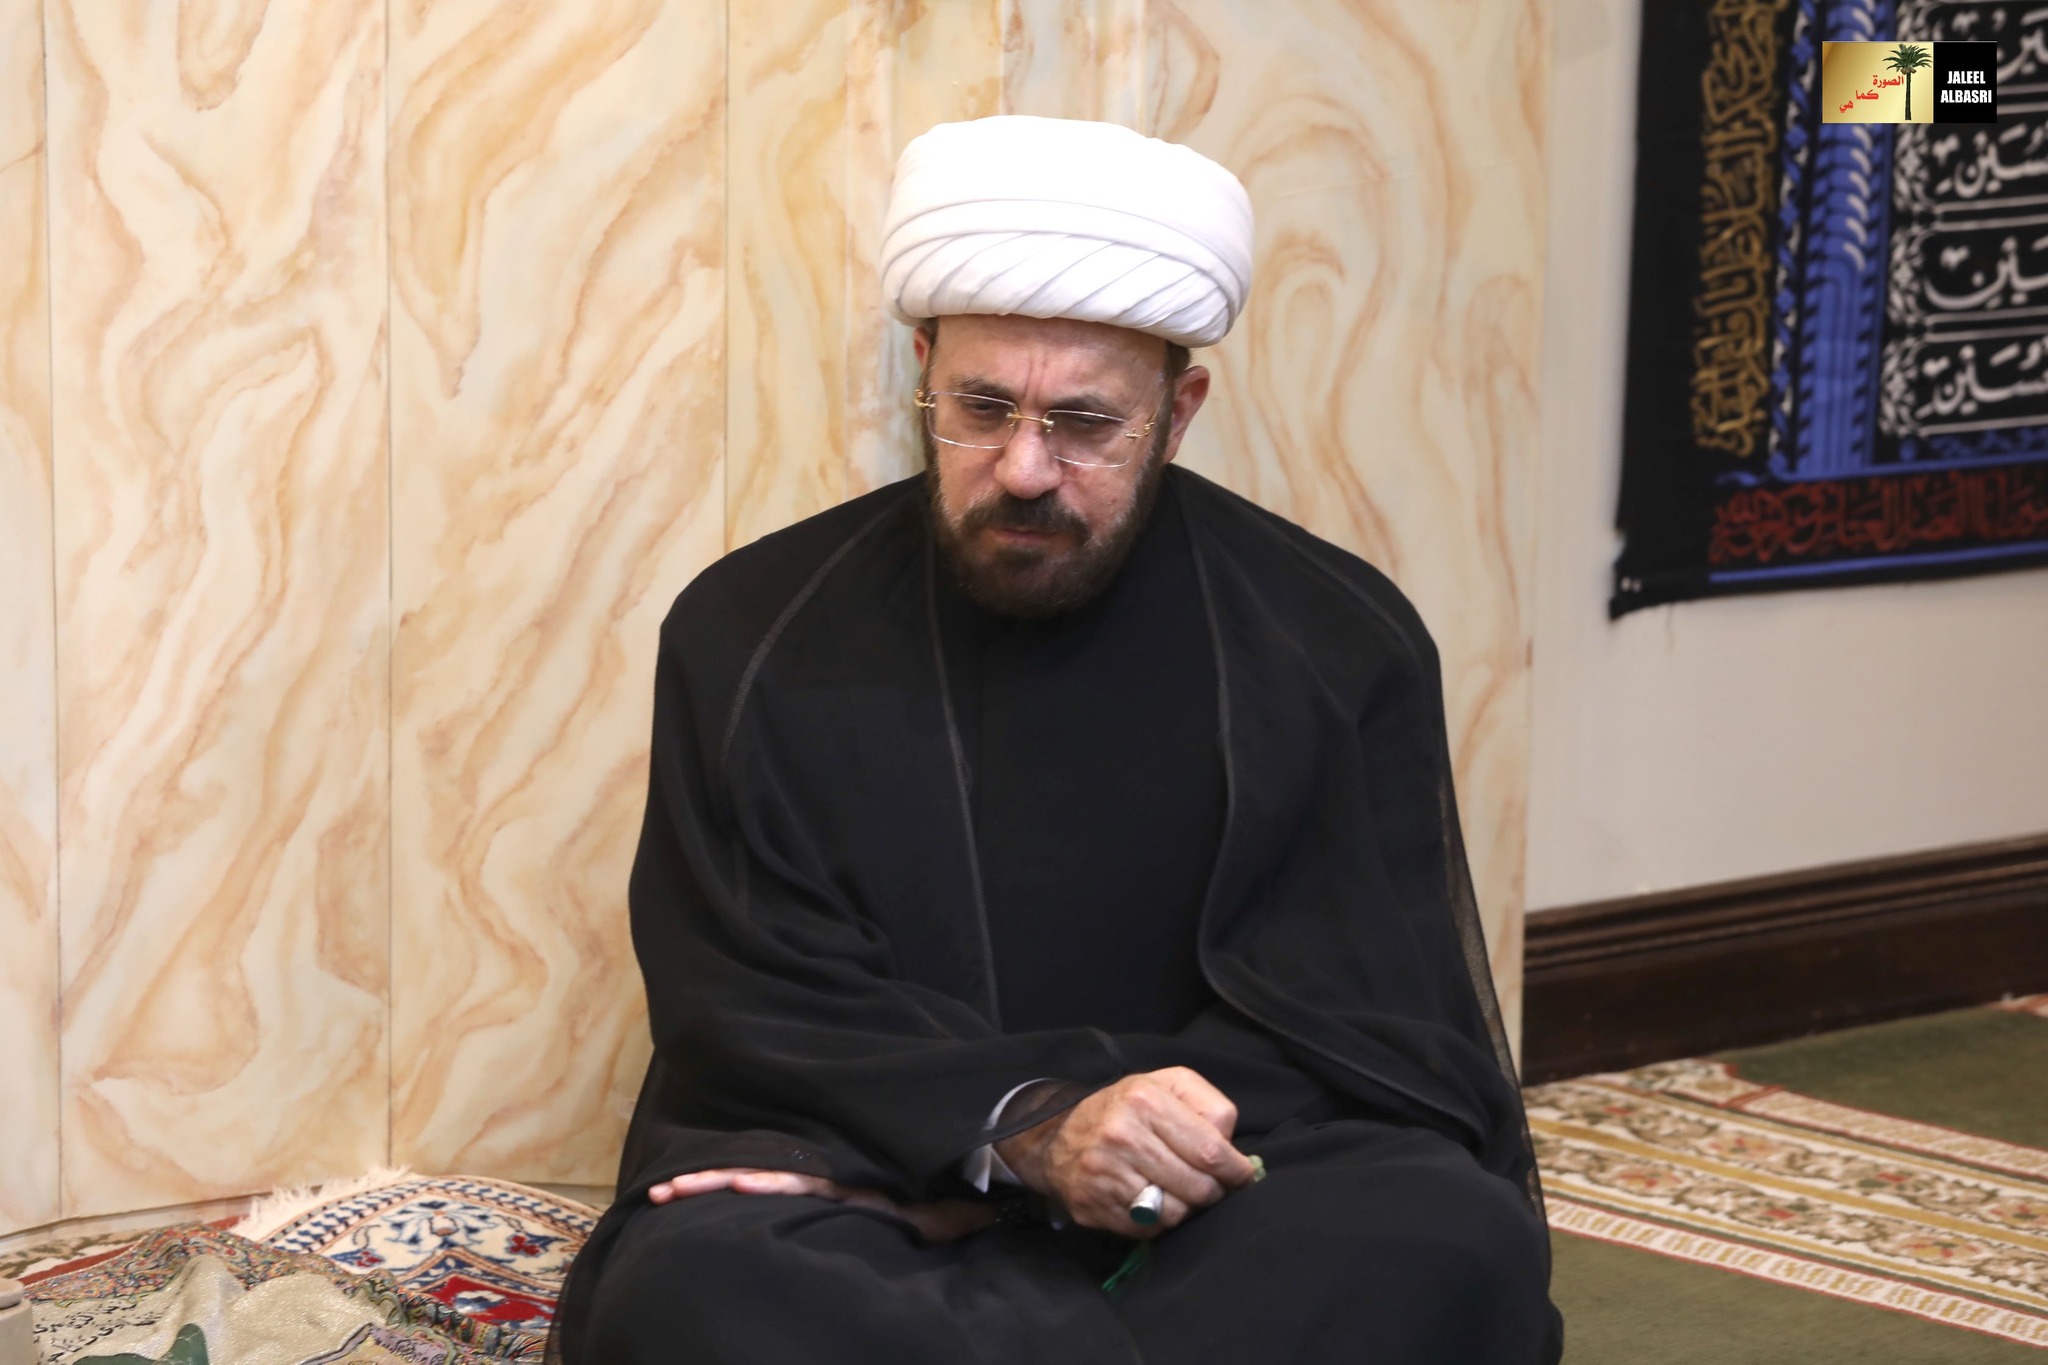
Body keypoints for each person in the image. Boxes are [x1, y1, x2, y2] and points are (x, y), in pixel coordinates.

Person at [548, 114, 1561, 1364]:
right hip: (869, 1168)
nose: (1023, 469)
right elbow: (750, 997)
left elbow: (1371, 1023)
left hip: (1212, 1186)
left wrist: (1128, 1144)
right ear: (923, 368)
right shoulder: (749, 630)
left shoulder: (1335, 640)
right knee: (703, 1289)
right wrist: (1017, 1133)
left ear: (1176, 413)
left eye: (1083, 424)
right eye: (981, 408)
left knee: (1451, 1241)